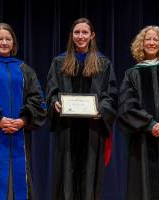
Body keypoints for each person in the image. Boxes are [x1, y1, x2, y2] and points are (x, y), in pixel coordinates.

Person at [46, 17, 117, 200]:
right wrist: (54, 103)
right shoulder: (59, 62)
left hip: (92, 130)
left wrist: (101, 109)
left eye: (85, 32)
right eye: (77, 32)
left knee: (90, 176)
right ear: (71, 35)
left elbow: (111, 95)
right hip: (67, 129)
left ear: (92, 35)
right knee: (66, 177)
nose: (80, 36)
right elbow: (51, 92)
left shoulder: (103, 63)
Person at [0, 23, 45, 200]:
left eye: (8, 39)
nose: (4, 42)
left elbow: (37, 98)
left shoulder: (24, 69)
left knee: (18, 180)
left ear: (14, 43)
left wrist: (23, 120)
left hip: (19, 134)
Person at [118, 25, 159, 200]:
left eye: (155, 39)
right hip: (143, 139)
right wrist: (150, 125)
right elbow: (126, 106)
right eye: (147, 39)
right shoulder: (132, 74)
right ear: (141, 44)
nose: (151, 42)